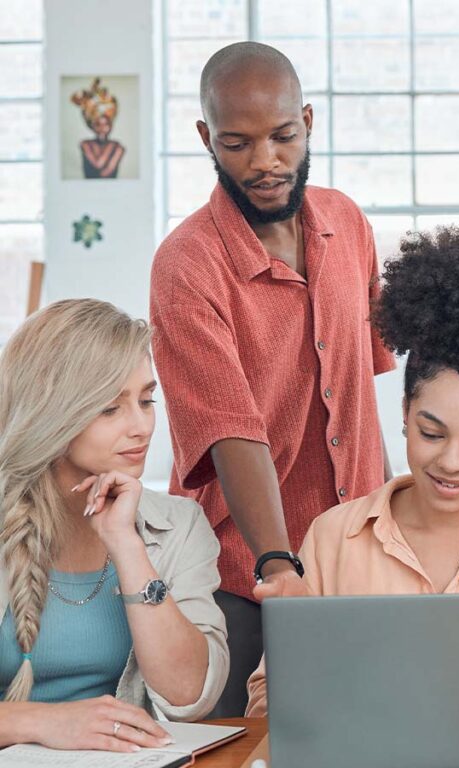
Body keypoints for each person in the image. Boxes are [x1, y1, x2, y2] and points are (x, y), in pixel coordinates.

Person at [245, 223, 459, 717]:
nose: (451, 461)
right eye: (431, 432)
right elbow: (266, 700)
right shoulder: (335, 535)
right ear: (404, 414)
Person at [149, 42, 394, 716]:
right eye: (237, 142)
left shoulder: (348, 225)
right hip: (240, 578)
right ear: (206, 138)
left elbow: (360, 400)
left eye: (283, 136)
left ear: (308, 121)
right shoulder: (187, 266)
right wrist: (278, 564)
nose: (266, 161)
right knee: (230, 747)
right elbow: (232, 431)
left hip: (358, 566)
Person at [0, 300, 227, 751]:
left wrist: (127, 546)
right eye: (110, 408)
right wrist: (34, 723)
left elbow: (189, 697)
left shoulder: (178, 525)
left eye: (146, 400)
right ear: (50, 413)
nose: (141, 426)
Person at [70, 77, 126, 179]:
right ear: (92, 126)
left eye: (106, 125)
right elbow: (98, 166)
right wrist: (111, 147)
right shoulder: (85, 144)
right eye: (98, 125)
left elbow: (107, 173)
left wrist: (114, 147)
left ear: (111, 125)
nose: (102, 129)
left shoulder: (118, 147)